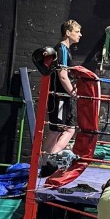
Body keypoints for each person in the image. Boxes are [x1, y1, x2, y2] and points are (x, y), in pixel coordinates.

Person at [40, 18, 83, 160]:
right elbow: (63, 76)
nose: (80, 34)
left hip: (64, 97)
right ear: (68, 33)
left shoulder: (65, 50)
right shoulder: (62, 49)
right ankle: (44, 162)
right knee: (55, 130)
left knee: (69, 129)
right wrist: (73, 93)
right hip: (59, 97)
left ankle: (49, 159)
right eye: (77, 31)